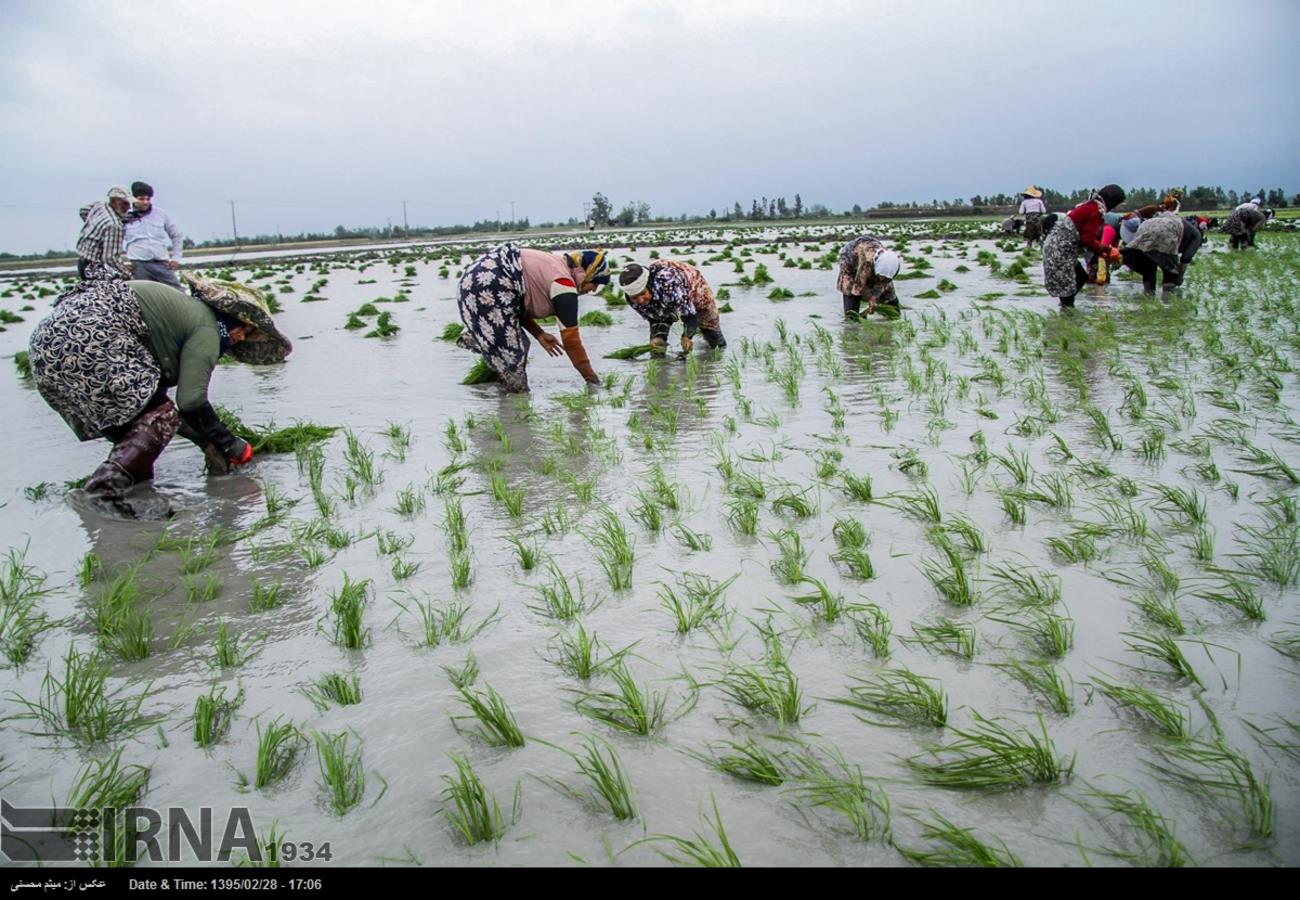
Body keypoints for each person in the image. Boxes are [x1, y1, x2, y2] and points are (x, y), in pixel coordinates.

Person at [26, 274, 292, 517]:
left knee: (134, 432)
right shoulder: (207, 327)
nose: (241, 337)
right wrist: (229, 442)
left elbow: (156, 409)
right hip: (92, 337)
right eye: (243, 328)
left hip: (46, 348)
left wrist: (207, 443)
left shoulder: (178, 317)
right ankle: (101, 490)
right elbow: (190, 402)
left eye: (249, 334)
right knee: (160, 418)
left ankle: (133, 499)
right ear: (228, 315)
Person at [456, 245, 606, 392]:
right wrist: (592, 380)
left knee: (518, 342)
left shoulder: (556, 266)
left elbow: (517, 307)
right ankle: (515, 397)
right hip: (488, 283)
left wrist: (539, 334)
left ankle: (503, 390)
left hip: (474, 280)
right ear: (586, 273)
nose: (593, 290)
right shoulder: (563, 284)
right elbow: (572, 342)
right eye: (595, 283)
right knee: (516, 353)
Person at [1040, 184, 1126, 307]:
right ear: (1112, 202)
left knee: (1080, 277)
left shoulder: (1090, 205)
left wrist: (1102, 251)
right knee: (1068, 289)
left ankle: (1065, 311)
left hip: (1057, 245)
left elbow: (1085, 237)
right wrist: (1109, 249)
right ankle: (1066, 313)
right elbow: (1088, 240)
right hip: (1061, 249)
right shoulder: (1096, 210)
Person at [618, 259, 728, 353]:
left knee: (714, 338)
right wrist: (657, 338)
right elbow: (654, 319)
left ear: (649, 284)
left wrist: (686, 336)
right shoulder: (631, 299)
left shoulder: (669, 281)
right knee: (656, 345)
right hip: (663, 297)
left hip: (693, 284)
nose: (640, 300)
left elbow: (689, 314)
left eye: (643, 294)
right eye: (635, 297)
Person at [1120, 212, 1203, 293]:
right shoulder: (1197, 236)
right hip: (1167, 229)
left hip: (1146, 225)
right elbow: (1186, 258)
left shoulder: (1185, 226)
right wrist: (1180, 276)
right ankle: (1167, 302)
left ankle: (1148, 295)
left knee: (1148, 267)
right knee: (1170, 273)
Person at [124, 181, 185, 288]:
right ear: (133, 199)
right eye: (141, 199)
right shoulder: (125, 216)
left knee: (177, 292)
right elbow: (114, 242)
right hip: (138, 265)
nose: (145, 202)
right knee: (144, 297)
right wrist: (122, 263)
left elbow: (176, 235)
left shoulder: (160, 214)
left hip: (161, 263)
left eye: (148, 199)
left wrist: (176, 258)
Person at [835, 235, 902, 317]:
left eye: (885, 279)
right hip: (850, 261)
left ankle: (893, 318)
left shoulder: (890, 262)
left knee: (889, 295)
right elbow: (859, 287)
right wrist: (871, 298)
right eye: (881, 278)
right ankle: (852, 321)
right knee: (852, 293)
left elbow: (883, 283)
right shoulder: (867, 263)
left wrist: (875, 296)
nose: (882, 281)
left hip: (874, 261)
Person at [76, 186, 134, 281]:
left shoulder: (99, 206)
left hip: (82, 262)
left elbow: (83, 211)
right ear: (115, 201)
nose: (128, 207)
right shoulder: (114, 225)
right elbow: (110, 259)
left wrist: (94, 226)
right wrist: (128, 276)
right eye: (125, 203)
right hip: (94, 268)